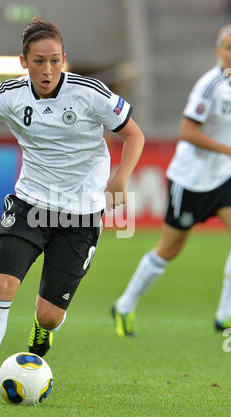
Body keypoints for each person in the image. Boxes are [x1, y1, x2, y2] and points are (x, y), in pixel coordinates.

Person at [0, 17, 144, 403]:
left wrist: (121, 178)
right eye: (38, 61)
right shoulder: (11, 94)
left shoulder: (90, 93)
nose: (47, 70)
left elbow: (133, 133)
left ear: (64, 59)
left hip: (81, 216)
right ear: (24, 62)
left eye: (54, 60)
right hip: (30, 205)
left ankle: (42, 327)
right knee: (1, 286)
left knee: (50, 315)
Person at [112, 24, 231, 338]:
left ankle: (225, 316)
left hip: (222, 178)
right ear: (218, 52)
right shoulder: (210, 86)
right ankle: (124, 304)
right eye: (228, 49)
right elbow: (187, 132)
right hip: (189, 180)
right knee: (170, 249)